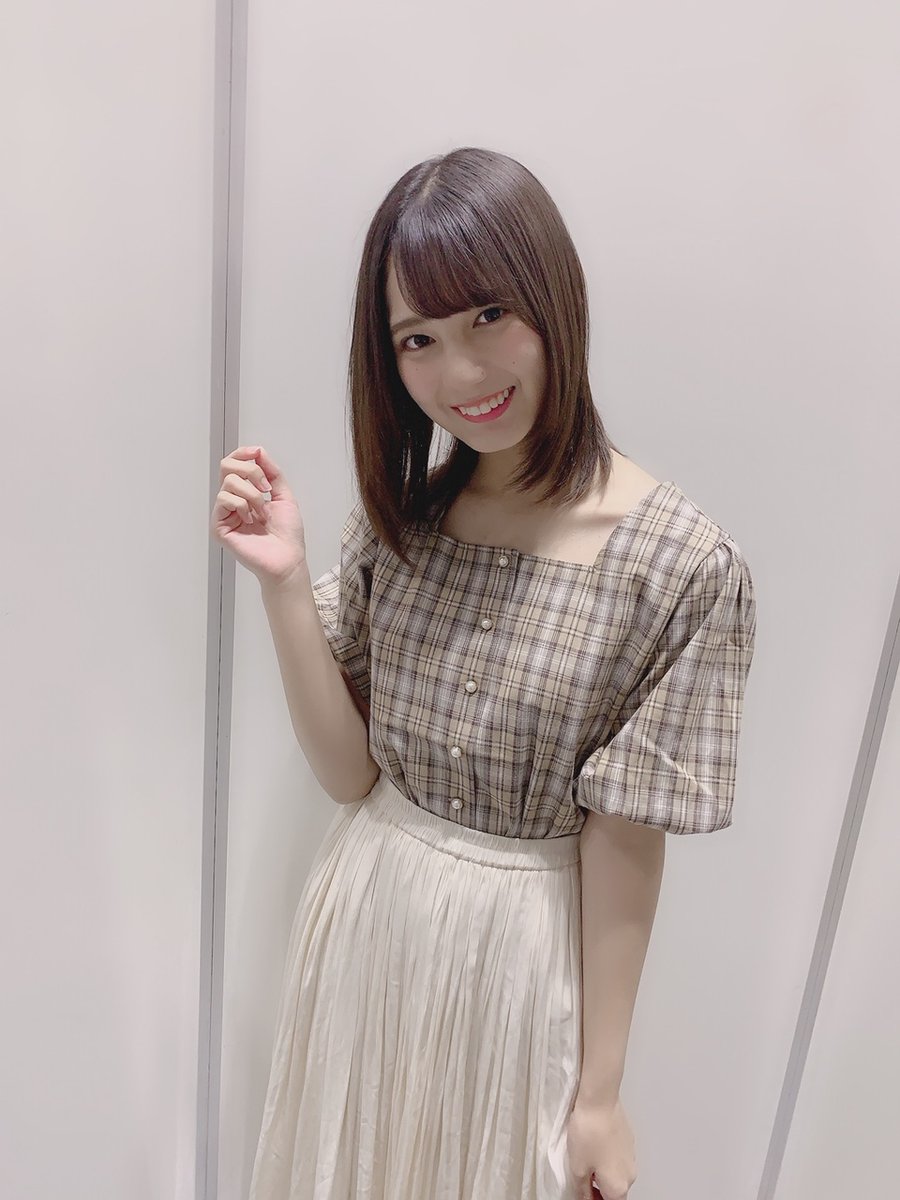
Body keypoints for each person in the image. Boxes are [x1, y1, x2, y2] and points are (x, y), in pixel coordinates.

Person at [210, 146, 757, 1200]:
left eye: (488, 317)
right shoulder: (407, 516)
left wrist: (599, 1096)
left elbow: (625, 840)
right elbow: (350, 777)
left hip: (519, 963)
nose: (459, 374)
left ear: (555, 297)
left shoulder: (681, 567)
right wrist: (282, 580)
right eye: (417, 339)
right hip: (367, 918)